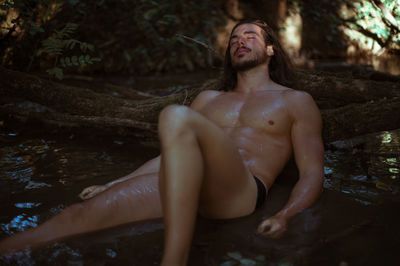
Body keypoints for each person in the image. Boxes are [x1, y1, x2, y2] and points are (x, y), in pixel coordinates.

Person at [0, 18, 324, 266]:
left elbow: (312, 171)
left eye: (250, 36)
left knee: (174, 115)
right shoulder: (209, 99)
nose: (240, 42)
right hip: (184, 184)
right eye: (234, 39)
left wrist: (286, 215)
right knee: (79, 214)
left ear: (270, 49)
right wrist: (116, 181)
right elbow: (172, 153)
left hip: (239, 191)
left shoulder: (295, 101)